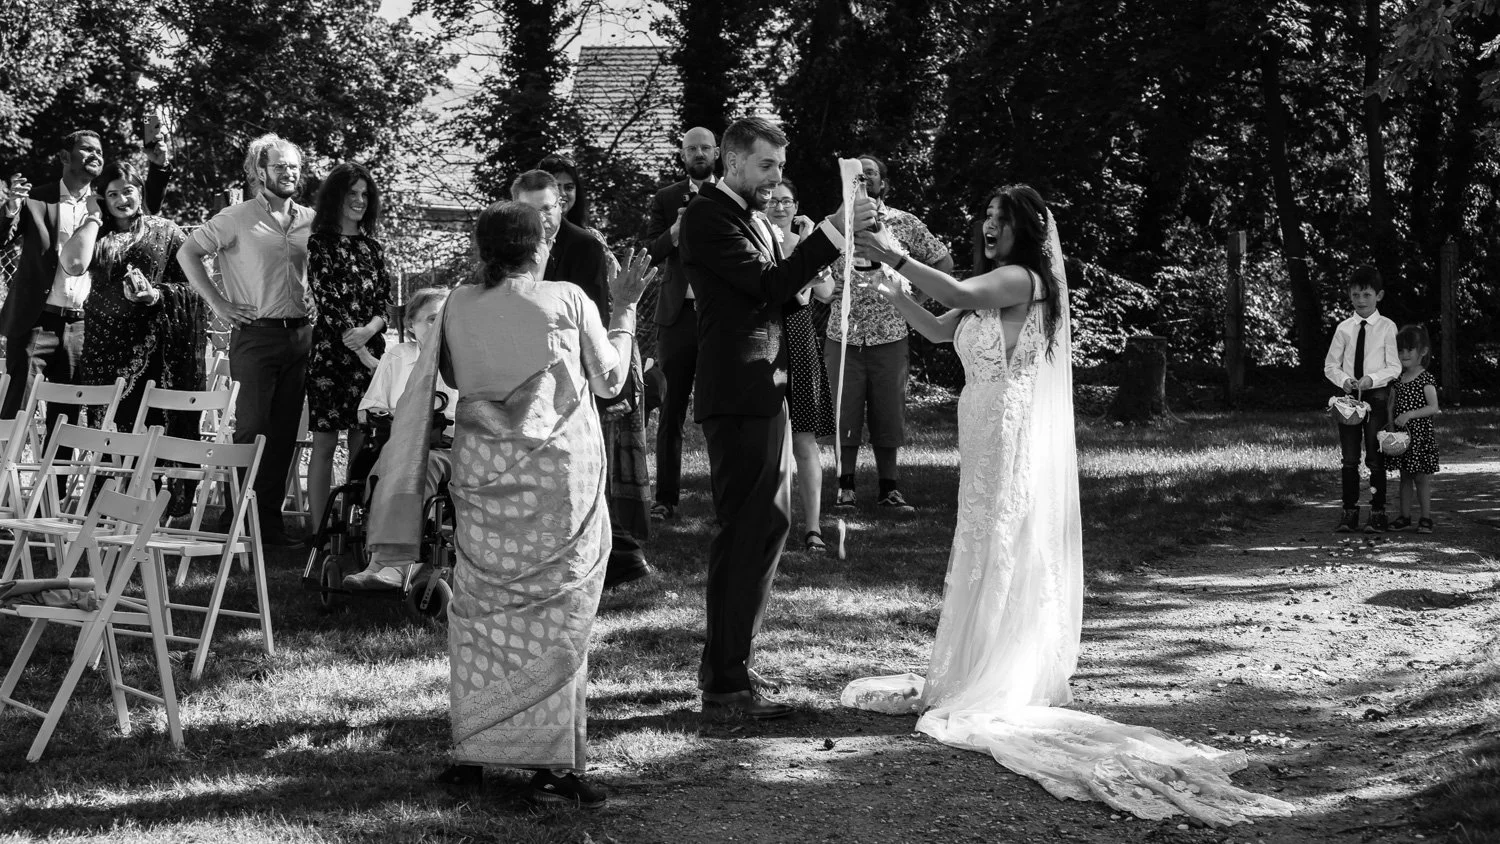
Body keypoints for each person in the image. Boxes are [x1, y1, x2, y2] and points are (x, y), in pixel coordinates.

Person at [851, 184, 1292, 826]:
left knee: (1003, 537)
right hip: (980, 421)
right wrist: (900, 299)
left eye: (998, 218)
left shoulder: (1023, 280)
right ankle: (975, 660)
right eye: (985, 215)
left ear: (1024, 230)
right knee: (980, 539)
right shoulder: (992, 282)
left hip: (1008, 427)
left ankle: (1003, 669)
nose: (986, 225)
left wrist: (894, 258)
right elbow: (945, 328)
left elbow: (961, 296)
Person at [366, 202, 655, 809]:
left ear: (481, 249)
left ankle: (473, 754)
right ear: (542, 242)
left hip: (482, 474)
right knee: (559, 613)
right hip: (557, 480)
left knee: (480, 608)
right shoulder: (569, 298)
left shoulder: (453, 306)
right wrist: (625, 309)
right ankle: (553, 767)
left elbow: (445, 372)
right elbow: (610, 381)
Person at [681, 116, 874, 719]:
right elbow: (767, 284)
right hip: (737, 391)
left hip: (766, 387)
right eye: (767, 165)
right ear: (734, 162)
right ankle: (724, 685)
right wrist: (835, 232)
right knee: (747, 528)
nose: (776, 176)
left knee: (769, 525)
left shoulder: (752, 217)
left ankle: (732, 664)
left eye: (779, 166)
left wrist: (803, 272)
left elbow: (780, 292)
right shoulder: (708, 215)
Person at [514, 169, 650, 587]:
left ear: (562, 205)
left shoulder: (585, 245)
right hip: (532, 371)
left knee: (589, 468)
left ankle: (619, 554)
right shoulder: (512, 248)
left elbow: (591, 315)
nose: (543, 219)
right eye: (531, 210)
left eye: (549, 208)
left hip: (586, 362)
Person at [176, 137, 314, 547]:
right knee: (253, 428)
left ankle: (267, 523)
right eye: (279, 166)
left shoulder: (311, 220)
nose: (288, 172)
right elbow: (188, 253)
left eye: (293, 166)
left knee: (286, 431)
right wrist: (218, 303)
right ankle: (237, 517)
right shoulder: (235, 217)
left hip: (302, 337)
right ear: (259, 171)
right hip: (255, 337)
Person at [823, 155, 953, 512]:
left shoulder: (904, 223)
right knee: (843, 411)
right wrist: (826, 287)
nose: (865, 180)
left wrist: (916, 299)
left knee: (887, 412)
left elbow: (942, 261)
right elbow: (811, 266)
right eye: (858, 177)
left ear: (884, 183)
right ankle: (845, 487)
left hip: (891, 334)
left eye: (872, 174)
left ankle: (889, 488)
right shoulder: (836, 225)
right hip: (843, 335)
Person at [58, 161, 207, 442]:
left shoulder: (167, 231)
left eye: (127, 191)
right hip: (103, 349)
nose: (121, 200)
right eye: (112, 194)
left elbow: (195, 286)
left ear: (140, 191)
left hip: (152, 349)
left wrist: (156, 295)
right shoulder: (96, 234)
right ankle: (108, 486)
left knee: (150, 431)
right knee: (109, 435)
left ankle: (152, 486)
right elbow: (73, 264)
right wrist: (92, 216)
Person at [341, 287, 457, 590]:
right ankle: (379, 563)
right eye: (431, 319)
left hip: (447, 447)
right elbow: (369, 407)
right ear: (412, 324)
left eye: (445, 318)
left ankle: (400, 562)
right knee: (385, 468)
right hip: (400, 442)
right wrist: (388, 417)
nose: (439, 324)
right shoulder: (398, 355)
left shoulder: (464, 358)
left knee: (416, 468)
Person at [304, 162, 392, 534]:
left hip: (371, 357)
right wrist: (360, 350)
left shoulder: (373, 247)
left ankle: (356, 526)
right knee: (325, 443)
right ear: (335, 197)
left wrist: (371, 330)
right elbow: (329, 300)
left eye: (364, 194)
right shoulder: (319, 243)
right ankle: (320, 528)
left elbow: (384, 303)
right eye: (351, 193)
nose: (358, 200)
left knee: (363, 443)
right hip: (332, 355)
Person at [646, 126, 719, 521]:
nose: (698, 154)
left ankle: (723, 495)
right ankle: (665, 498)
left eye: (705, 148)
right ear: (683, 154)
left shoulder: (731, 195)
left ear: (718, 152)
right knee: (671, 408)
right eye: (692, 149)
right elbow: (651, 251)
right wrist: (675, 230)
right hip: (676, 317)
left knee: (720, 407)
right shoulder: (666, 198)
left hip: (717, 317)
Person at [765, 179, 836, 553]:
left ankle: (813, 529)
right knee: (768, 438)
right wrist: (806, 271)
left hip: (801, 342)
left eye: (786, 201)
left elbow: (823, 293)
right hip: (767, 343)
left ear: (796, 207)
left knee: (804, 439)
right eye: (773, 200)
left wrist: (809, 253)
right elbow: (793, 291)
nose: (779, 207)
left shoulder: (805, 245)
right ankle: (770, 524)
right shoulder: (759, 244)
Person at [1322, 265, 1399, 534]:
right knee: (1349, 458)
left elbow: (1394, 367)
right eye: (1356, 295)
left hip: (1376, 396)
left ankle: (1377, 511)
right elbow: (1331, 365)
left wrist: (1371, 379)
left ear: (1379, 295)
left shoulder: (1388, 327)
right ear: (1350, 296)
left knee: (1375, 458)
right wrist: (1345, 381)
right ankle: (1349, 511)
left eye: (1366, 294)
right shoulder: (1344, 328)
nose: (1361, 300)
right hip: (1348, 401)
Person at [1388, 324, 1440, 534]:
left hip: (1420, 436)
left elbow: (1433, 407)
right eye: (1401, 350)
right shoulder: (1397, 380)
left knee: (1421, 477)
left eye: (1410, 349)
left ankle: (1426, 518)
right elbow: (1391, 405)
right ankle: (1405, 516)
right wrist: (1391, 424)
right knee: (1405, 476)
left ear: (1423, 351)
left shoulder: (1425, 378)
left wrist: (1410, 414)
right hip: (1402, 437)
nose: (1404, 354)